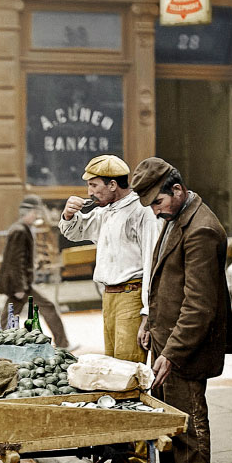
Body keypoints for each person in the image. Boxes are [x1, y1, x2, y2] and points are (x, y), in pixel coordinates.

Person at [131, 157, 232, 463]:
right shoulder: (178, 218)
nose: (156, 212)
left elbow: (198, 306)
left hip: (186, 348)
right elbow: (166, 281)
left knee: (189, 425)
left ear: (177, 190)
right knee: (167, 421)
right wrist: (149, 321)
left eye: (158, 203)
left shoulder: (201, 229)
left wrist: (171, 354)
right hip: (166, 339)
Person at [58, 154, 160, 363]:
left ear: (113, 184)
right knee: (113, 365)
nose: (90, 192)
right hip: (110, 297)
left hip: (131, 295)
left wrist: (147, 313)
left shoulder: (141, 211)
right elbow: (75, 232)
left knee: (128, 367)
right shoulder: (106, 212)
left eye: (94, 185)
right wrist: (68, 214)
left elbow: (153, 263)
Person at [0, 195, 70, 349]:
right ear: (26, 213)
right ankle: (63, 344)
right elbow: (15, 262)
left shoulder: (21, 229)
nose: (36, 216)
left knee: (9, 314)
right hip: (21, 285)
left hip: (20, 283)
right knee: (48, 307)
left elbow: (18, 259)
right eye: (35, 213)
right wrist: (20, 288)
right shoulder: (20, 231)